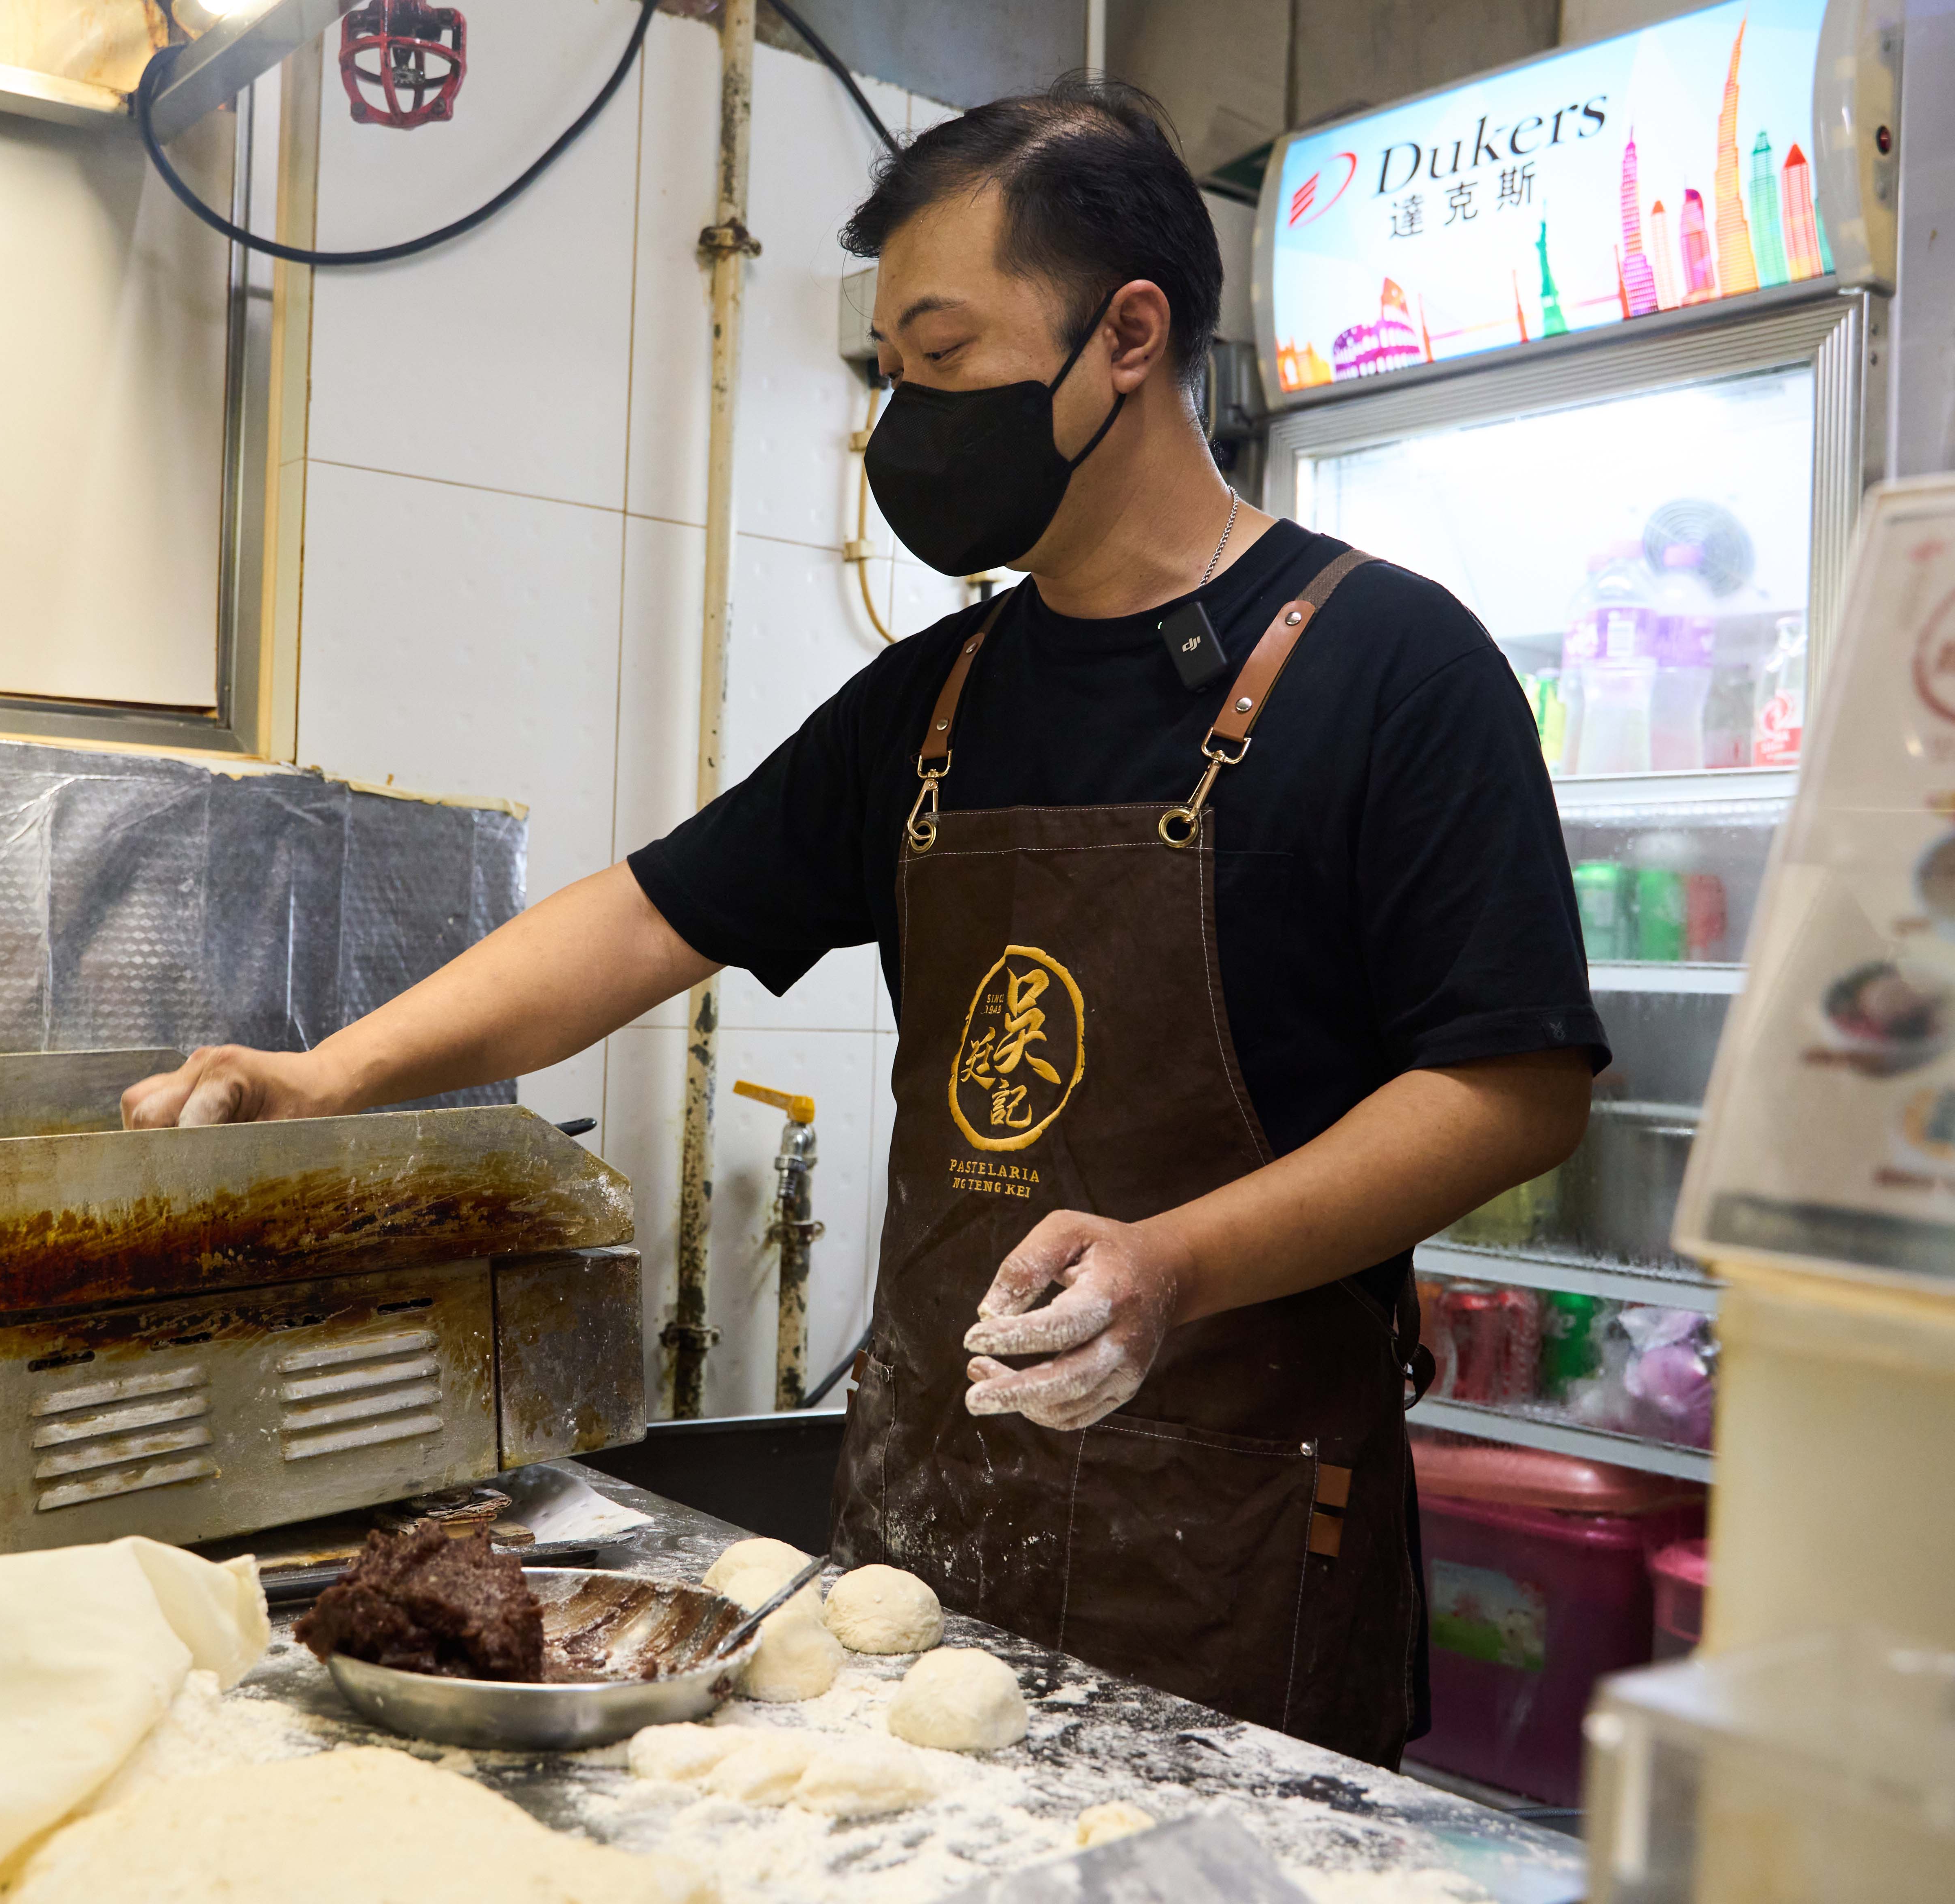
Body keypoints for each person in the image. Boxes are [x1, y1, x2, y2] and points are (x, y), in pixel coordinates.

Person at [125, 77, 1604, 1769]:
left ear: (1128, 336)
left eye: (945, 354)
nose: (907, 419)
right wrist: (330, 1076)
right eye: (890, 369)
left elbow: (1512, 1088)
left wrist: (1175, 1263)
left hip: (1239, 1540)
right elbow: (648, 917)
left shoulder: (1393, 666)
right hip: (934, 1514)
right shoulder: (937, 700)